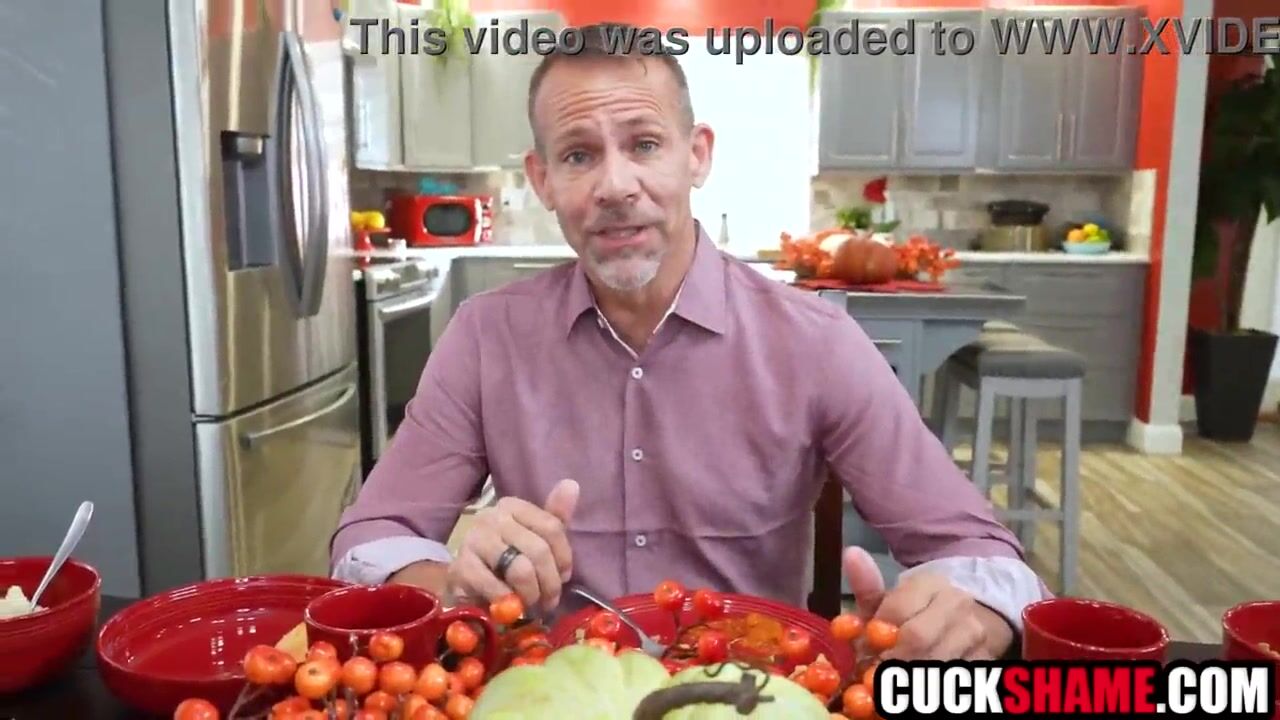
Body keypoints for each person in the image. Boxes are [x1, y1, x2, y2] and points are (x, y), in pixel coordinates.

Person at [331, 23, 1049, 661]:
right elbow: (369, 538)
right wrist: (452, 584)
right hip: (550, 692)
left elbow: (985, 557)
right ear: (542, 180)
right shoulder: (486, 337)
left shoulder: (816, 342)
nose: (616, 185)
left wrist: (971, 613)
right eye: (579, 155)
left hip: (752, 691)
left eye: (644, 144)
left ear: (696, 155)